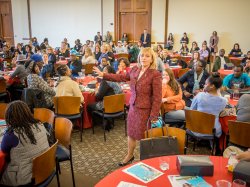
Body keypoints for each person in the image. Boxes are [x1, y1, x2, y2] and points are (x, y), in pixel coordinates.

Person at [93, 47, 162, 166]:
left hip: (146, 110)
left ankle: (145, 160)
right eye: (142, 55)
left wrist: (154, 115)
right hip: (133, 107)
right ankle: (130, 155)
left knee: (144, 136)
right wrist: (104, 75)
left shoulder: (155, 74)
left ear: (152, 59)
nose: (144, 58)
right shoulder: (135, 69)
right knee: (131, 133)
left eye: (147, 56)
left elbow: (157, 97)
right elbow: (121, 77)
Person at [0, 101, 49, 186]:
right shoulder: (39, 124)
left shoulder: (11, 134)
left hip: (24, 177)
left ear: (9, 117)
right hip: (43, 169)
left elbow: (3, 149)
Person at [190, 74, 227, 154]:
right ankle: (213, 147)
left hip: (195, 128)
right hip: (213, 131)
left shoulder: (200, 95)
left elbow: (191, 111)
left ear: (212, 86)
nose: (204, 85)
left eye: (206, 84)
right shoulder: (224, 101)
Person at [87, 65, 122, 129]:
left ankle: (103, 122)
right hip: (118, 106)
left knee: (89, 106)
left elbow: (98, 97)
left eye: (104, 71)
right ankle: (107, 119)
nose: (102, 72)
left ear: (109, 73)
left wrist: (96, 90)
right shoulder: (117, 80)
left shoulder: (105, 82)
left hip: (108, 106)